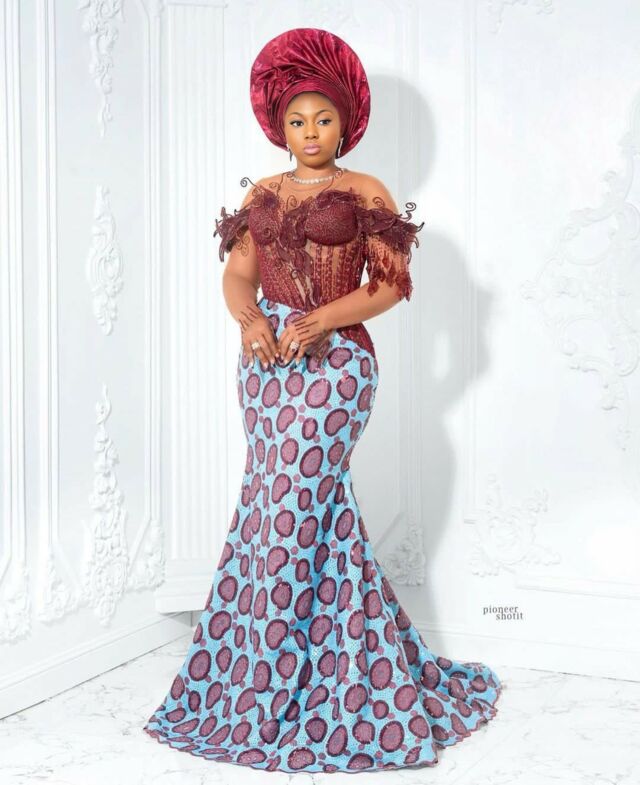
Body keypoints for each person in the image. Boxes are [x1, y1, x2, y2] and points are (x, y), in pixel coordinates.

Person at [142, 27, 502, 774]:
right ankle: (334, 675)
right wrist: (249, 321)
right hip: (265, 366)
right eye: (297, 120)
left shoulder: (366, 190)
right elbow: (238, 275)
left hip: (337, 365)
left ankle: (263, 695)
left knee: (287, 509)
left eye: (323, 119)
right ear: (280, 127)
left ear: (346, 122)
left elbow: (391, 284)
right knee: (293, 511)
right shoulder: (262, 195)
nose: (310, 132)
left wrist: (324, 320)